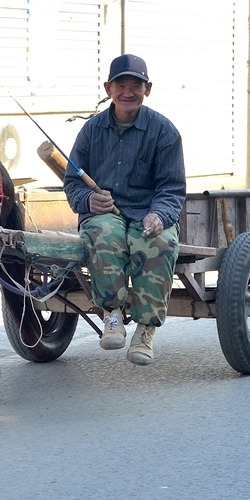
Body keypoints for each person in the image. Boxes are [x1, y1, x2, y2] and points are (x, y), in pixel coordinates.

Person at [63, 54, 186, 365]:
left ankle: (145, 331)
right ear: (108, 88)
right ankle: (112, 316)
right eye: (121, 85)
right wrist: (89, 201)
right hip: (106, 215)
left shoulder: (164, 132)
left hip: (149, 214)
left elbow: (171, 189)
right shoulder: (91, 131)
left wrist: (159, 215)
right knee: (101, 234)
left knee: (157, 243)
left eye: (136, 85)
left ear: (148, 89)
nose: (128, 92)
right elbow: (72, 181)